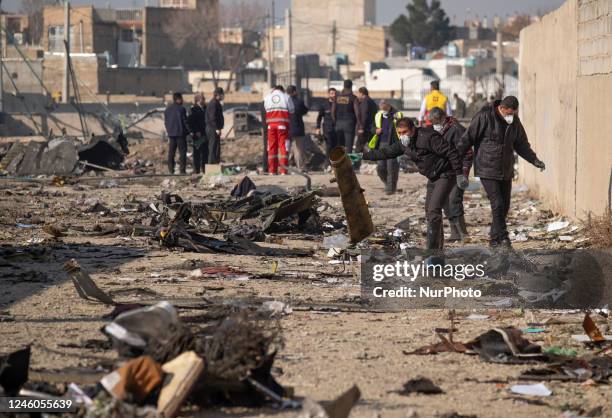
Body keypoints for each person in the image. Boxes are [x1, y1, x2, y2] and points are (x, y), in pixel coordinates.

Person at [361, 117, 468, 250]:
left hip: (446, 174)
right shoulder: (403, 144)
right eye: (399, 133)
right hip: (433, 177)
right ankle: (438, 247)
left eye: (405, 132)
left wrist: (459, 174)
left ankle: (432, 251)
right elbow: (386, 152)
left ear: (413, 129)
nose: (402, 136)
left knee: (434, 210)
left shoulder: (427, 137)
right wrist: (363, 156)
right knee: (430, 212)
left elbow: (451, 152)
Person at [456, 96, 546, 248]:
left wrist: (535, 160)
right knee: (497, 203)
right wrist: (455, 160)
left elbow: (521, 144)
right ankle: (504, 238)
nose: (511, 116)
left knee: (504, 206)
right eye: (509, 113)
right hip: (487, 168)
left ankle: (494, 238)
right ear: (502, 108)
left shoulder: (515, 122)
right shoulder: (484, 117)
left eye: (514, 113)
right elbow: (467, 139)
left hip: (505, 169)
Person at [429, 107, 471, 242]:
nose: (435, 125)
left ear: (443, 118)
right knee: (445, 202)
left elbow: (468, 153)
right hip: (443, 172)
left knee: (454, 200)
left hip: (457, 171)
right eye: (432, 123)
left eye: (436, 122)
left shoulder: (456, 130)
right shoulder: (438, 131)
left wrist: (463, 174)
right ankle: (455, 233)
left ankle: (463, 234)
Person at [368, 100, 404, 195]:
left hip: (393, 144)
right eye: (381, 108)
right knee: (380, 167)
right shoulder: (378, 115)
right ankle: (387, 184)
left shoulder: (397, 115)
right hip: (381, 145)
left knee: (391, 167)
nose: (382, 110)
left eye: (384, 108)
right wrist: (375, 130)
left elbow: (404, 126)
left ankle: (391, 189)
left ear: (388, 105)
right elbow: (372, 128)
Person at [264, 85, 294, 175]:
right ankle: (283, 171)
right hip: (283, 126)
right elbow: (292, 110)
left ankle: (272, 171)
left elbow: (266, 109)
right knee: (283, 147)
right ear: (282, 90)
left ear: (274, 89)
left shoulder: (267, 97)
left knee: (271, 148)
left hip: (270, 127)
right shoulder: (286, 97)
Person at [164, 92, 190, 174]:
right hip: (180, 134)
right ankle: (182, 170)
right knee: (182, 153)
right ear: (178, 99)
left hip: (171, 134)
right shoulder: (181, 109)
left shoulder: (167, 109)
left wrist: (169, 131)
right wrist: (189, 131)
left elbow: (166, 122)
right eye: (181, 98)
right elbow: (185, 122)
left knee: (171, 153)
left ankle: (171, 170)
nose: (182, 100)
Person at [334, 79, 361, 153]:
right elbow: (357, 112)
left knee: (339, 146)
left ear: (344, 86)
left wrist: (335, 121)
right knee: (349, 147)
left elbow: (333, 111)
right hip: (349, 125)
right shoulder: (353, 98)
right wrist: (359, 124)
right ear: (351, 86)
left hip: (339, 124)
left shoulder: (337, 98)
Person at [286, 85, 309, 171]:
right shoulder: (298, 101)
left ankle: (284, 167)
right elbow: (305, 110)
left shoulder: (284, 102)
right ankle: (300, 167)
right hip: (297, 129)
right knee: (299, 149)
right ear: (294, 92)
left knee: (286, 148)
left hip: (286, 129)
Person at [188, 93, 207, 174]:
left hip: (205, 133)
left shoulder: (205, 108)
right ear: (199, 100)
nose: (204, 100)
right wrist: (195, 131)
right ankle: (197, 170)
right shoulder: (193, 109)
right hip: (198, 135)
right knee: (197, 153)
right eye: (203, 99)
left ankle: (204, 169)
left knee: (205, 152)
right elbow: (191, 122)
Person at [316, 87, 337, 157]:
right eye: (332, 93)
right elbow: (319, 117)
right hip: (327, 128)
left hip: (336, 128)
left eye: (335, 93)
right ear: (328, 94)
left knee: (336, 145)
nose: (333, 95)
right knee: (329, 145)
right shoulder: (324, 104)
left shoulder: (339, 104)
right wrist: (318, 128)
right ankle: (327, 162)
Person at [206, 87, 224, 164]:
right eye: (222, 95)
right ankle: (211, 167)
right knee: (213, 148)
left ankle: (215, 165)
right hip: (212, 129)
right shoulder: (214, 103)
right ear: (217, 95)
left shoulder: (216, 103)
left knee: (216, 148)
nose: (223, 96)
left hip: (214, 128)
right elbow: (212, 117)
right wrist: (216, 128)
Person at [356, 87, 378, 153]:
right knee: (371, 146)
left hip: (365, 128)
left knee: (358, 147)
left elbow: (364, 115)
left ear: (361, 93)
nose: (358, 95)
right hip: (371, 127)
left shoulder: (365, 102)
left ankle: (356, 162)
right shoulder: (372, 102)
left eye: (358, 93)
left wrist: (361, 127)